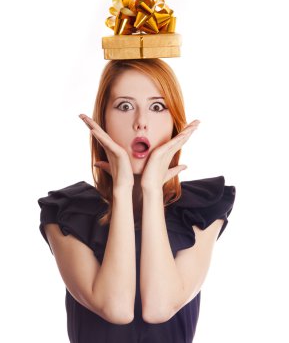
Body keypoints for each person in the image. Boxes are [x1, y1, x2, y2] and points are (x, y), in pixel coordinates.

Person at [38, 58, 236, 343]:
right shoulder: (66, 212)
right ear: (103, 120)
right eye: (125, 106)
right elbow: (115, 307)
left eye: (157, 107)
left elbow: (160, 307)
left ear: (174, 122)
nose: (141, 122)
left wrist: (153, 190)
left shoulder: (202, 209)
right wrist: (122, 188)